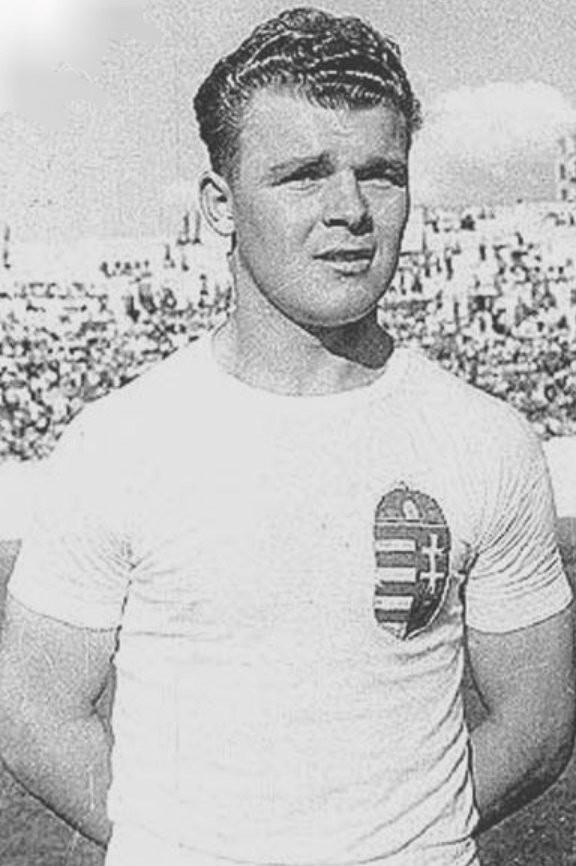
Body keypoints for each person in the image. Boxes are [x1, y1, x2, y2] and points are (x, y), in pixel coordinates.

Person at [0, 8, 573, 866]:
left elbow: (540, 720)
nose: (351, 210)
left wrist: (403, 836)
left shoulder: (486, 440)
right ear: (220, 206)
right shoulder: (118, 445)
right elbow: (33, 716)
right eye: (304, 175)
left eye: (380, 174)